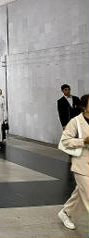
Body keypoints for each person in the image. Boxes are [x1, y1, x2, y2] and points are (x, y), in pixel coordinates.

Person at [58, 94, 89, 230]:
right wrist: (83, 141)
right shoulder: (75, 121)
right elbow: (65, 141)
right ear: (84, 107)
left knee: (80, 194)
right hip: (82, 164)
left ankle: (65, 213)